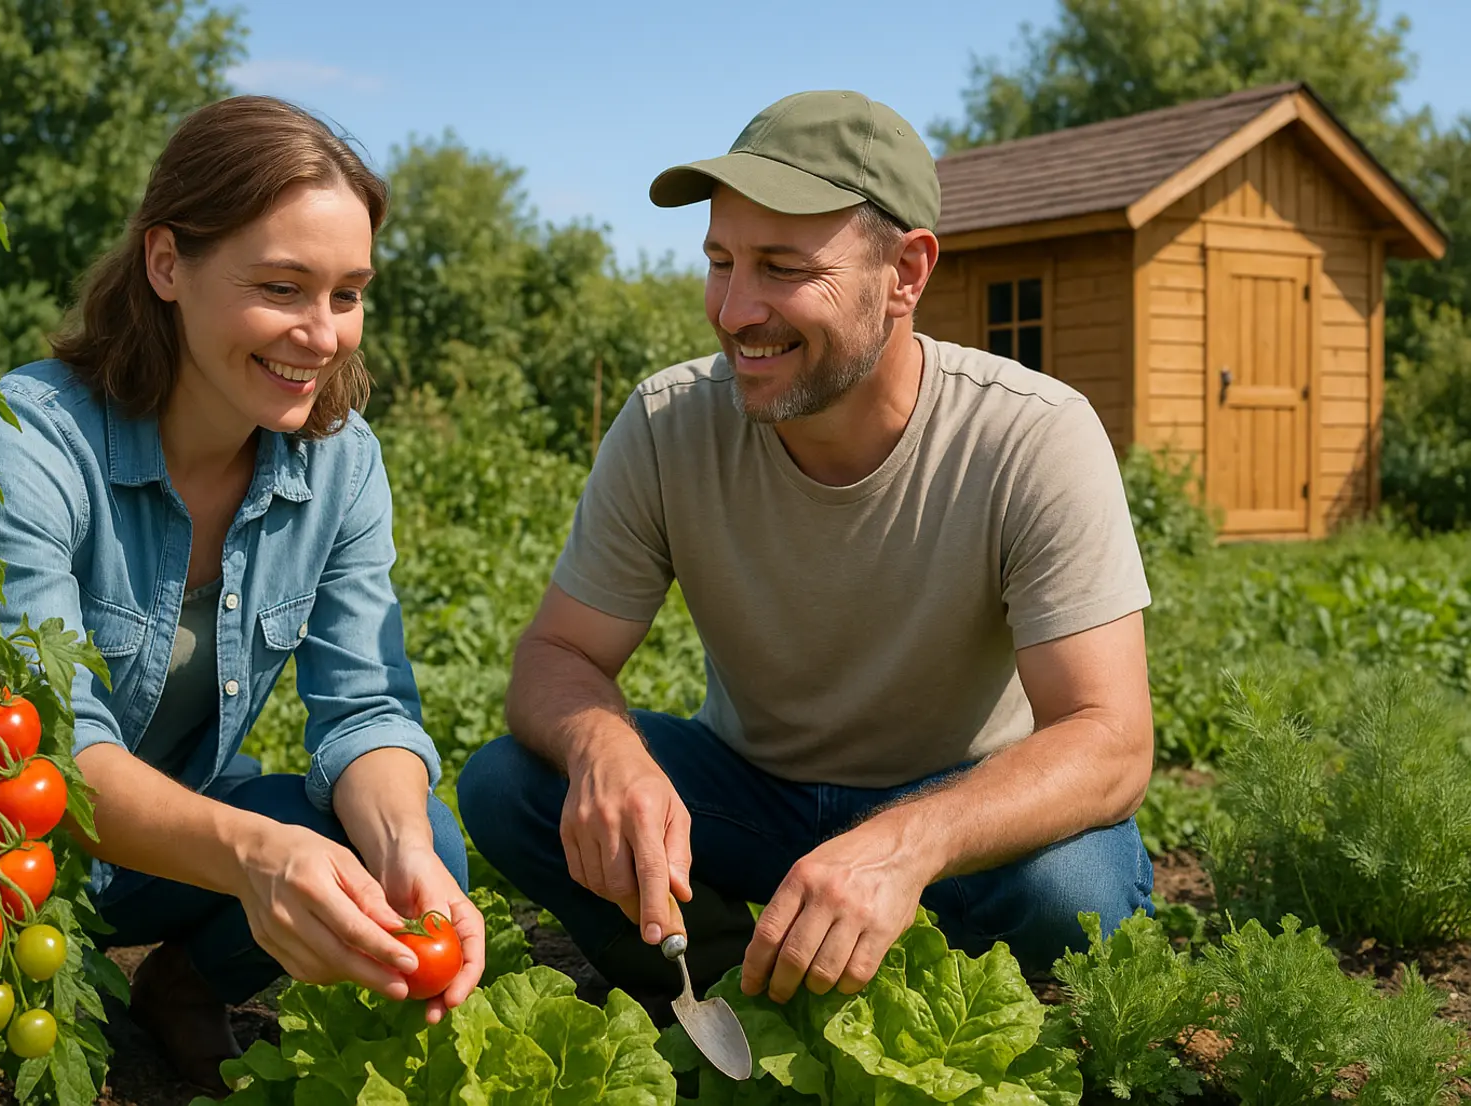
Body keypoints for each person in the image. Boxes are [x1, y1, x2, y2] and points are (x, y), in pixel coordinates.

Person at [458, 90, 1155, 1010]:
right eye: (720, 262)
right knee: (513, 786)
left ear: (905, 273)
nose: (736, 310)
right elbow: (558, 656)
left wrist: (904, 844)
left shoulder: (1031, 435)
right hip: (751, 797)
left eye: (783, 268)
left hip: (960, 810)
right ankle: (731, 990)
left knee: (1075, 894)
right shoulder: (669, 424)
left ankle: (901, 973)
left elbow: (1109, 740)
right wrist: (604, 754)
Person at [0, 95, 482, 1095]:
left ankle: (184, 986)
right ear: (166, 264)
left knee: (419, 835)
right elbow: (43, 753)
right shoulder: (24, 442)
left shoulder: (339, 465)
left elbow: (364, 704)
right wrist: (252, 853)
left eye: (348, 293)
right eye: (282, 286)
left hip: (172, 854)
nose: (322, 336)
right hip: (9, 862)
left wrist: (405, 847)